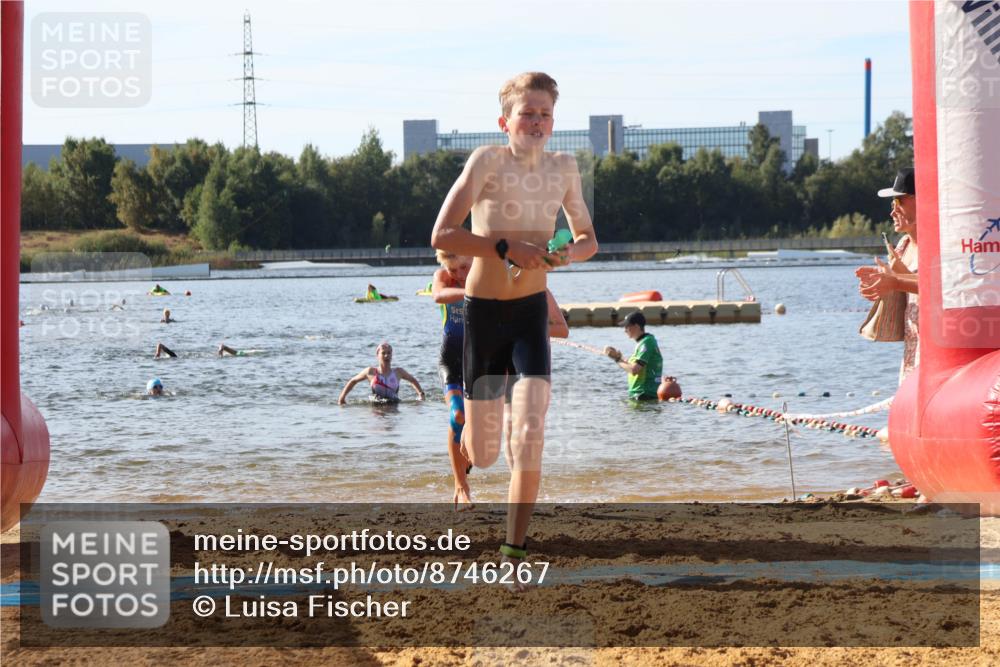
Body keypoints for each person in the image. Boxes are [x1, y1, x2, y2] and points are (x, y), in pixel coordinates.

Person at [430, 71, 597, 578]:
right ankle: (469, 441)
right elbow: (443, 233)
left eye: (546, 114)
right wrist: (505, 247)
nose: (537, 122)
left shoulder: (564, 168)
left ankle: (513, 550)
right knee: (483, 454)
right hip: (483, 315)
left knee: (529, 433)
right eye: (527, 113)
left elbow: (588, 239)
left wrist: (566, 255)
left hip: (529, 315)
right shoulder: (486, 162)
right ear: (505, 122)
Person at [433, 249, 570, 509]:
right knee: (459, 415)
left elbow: (561, 329)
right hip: (459, 361)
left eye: (464, 269)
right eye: (454, 270)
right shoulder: (455, 280)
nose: (459, 275)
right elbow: (438, 295)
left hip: (500, 363)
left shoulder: (522, 288)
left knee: (512, 428)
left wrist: (524, 325)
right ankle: (461, 484)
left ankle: (517, 493)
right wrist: (477, 293)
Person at [855, 167, 919, 384]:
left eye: (898, 202)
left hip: (936, 346)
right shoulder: (903, 245)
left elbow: (941, 286)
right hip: (912, 345)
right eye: (892, 205)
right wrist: (880, 281)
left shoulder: (939, 242)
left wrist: (894, 281)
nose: (892, 212)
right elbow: (904, 285)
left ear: (921, 200)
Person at [338, 342, 425, 405]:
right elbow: (353, 381)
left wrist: (421, 394)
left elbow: (412, 380)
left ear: (392, 355)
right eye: (383, 353)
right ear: (377, 355)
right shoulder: (370, 372)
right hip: (376, 408)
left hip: (394, 406)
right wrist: (341, 398)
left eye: (389, 353)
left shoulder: (398, 372)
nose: (386, 355)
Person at [604, 312, 663, 401]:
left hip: (645, 395)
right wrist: (619, 357)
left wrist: (617, 359)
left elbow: (634, 370)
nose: (625, 330)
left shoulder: (647, 342)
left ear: (636, 326)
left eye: (627, 326)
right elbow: (635, 366)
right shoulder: (643, 343)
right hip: (640, 395)